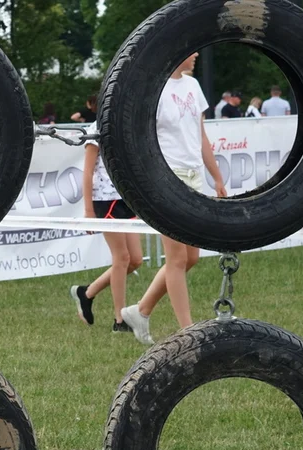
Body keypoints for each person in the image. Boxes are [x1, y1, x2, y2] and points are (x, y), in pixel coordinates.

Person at [121, 52, 228, 345]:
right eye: (190, 50)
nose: (195, 55)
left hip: (195, 177)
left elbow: (201, 135)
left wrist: (216, 177)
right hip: (168, 178)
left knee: (191, 257)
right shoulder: (153, 89)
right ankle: (188, 331)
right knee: (177, 258)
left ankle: (139, 311)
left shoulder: (193, 85)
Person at [70, 120, 142, 332]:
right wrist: (89, 211)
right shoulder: (95, 130)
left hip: (125, 198)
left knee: (135, 259)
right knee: (122, 258)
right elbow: (87, 172)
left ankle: (87, 293)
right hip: (105, 200)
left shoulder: (124, 125)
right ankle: (119, 320)